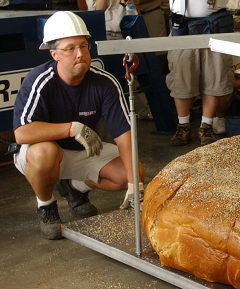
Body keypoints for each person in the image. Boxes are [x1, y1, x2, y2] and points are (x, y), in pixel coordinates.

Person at [12, 11, 143, 240]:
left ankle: (75, 189)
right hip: (43, 154)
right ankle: (47, 206)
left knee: (133, 171)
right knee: (45, 152)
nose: (80, 54)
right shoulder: (39, 80)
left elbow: (124, 134)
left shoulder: (105, 83)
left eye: (83, 46)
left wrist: (134, 185)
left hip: (83, 151)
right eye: (70, 48)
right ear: (54, 54)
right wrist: (72, 128)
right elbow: (22, 133)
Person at [166, 0, 234, 146]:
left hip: (214, 25)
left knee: (214, 76)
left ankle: (206, 126)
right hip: (182, 25)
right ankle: (183, 125)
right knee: (181, 77)